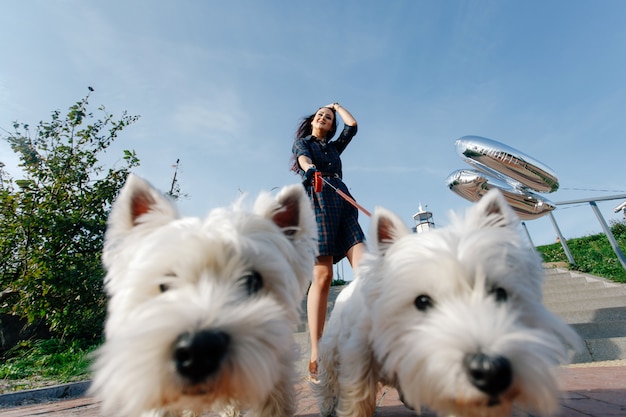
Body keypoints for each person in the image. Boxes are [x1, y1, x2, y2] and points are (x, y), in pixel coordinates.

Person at [290, 102, 367, 380]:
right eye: (321, 115)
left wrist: (337, 106)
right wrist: (310, 171)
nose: (324, 118)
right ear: (313, 121)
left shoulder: (334, 148)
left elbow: (353, 126)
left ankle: (376, 340)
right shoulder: (303, 143)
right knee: (322, 276)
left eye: (329, 117)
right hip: (318, 200)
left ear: (332, 126)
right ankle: (315, 351)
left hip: (344, 202)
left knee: (367, 270)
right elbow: (303, 160)